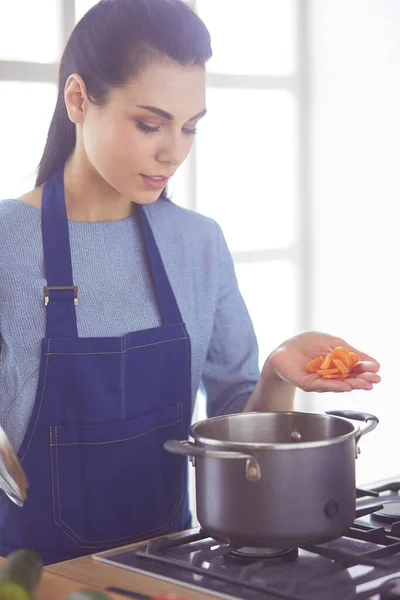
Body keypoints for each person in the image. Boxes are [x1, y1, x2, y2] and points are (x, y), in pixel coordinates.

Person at [0, 0, 380, 565]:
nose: (172, 151)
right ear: (78, 99)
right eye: (150, 124)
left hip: (170, 574)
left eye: (190, 128)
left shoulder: (198, 244)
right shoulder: (7, 240)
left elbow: (241, 435)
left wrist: (278, 370)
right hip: (30, 582)